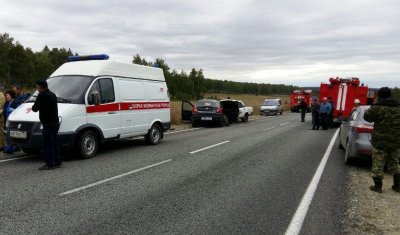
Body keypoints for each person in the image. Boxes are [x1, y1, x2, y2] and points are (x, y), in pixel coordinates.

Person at [364, 87, 400, 193]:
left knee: (378, 163)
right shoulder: (398, 107)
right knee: (394, 162)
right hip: (396, 141)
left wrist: (373, 106)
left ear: (380, 96)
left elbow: (367, 117)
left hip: (380, 141)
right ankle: (397, 186)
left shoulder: (378, 108)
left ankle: (378, 187)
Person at [30, 80, 62, 170]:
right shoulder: (52, 94)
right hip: (55, 122)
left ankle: (49, 163)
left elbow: (35, 108)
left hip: (47, 123)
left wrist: (34, 105)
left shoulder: (42, 95)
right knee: (55, 142)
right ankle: (57, 161)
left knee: (47, 144)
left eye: (37, 87)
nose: (37, 89)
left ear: (40, 87)